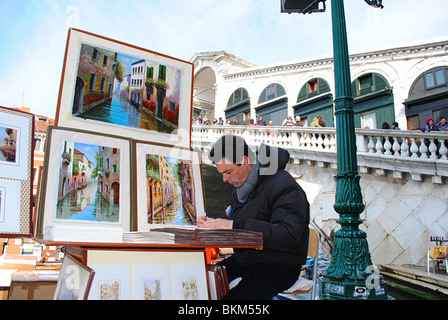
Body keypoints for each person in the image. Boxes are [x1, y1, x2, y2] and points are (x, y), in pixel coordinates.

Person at [198, 134, 310, 300]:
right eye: (221, 173)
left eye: (227, 172)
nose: (224, 179)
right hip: (248, 258)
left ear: (244, 161)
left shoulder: (283, 184)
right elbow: (242, 226)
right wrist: (213, 226)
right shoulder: (240, 188)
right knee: (202, 281)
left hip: (280, 265)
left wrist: (233, 226)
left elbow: (287, 234)